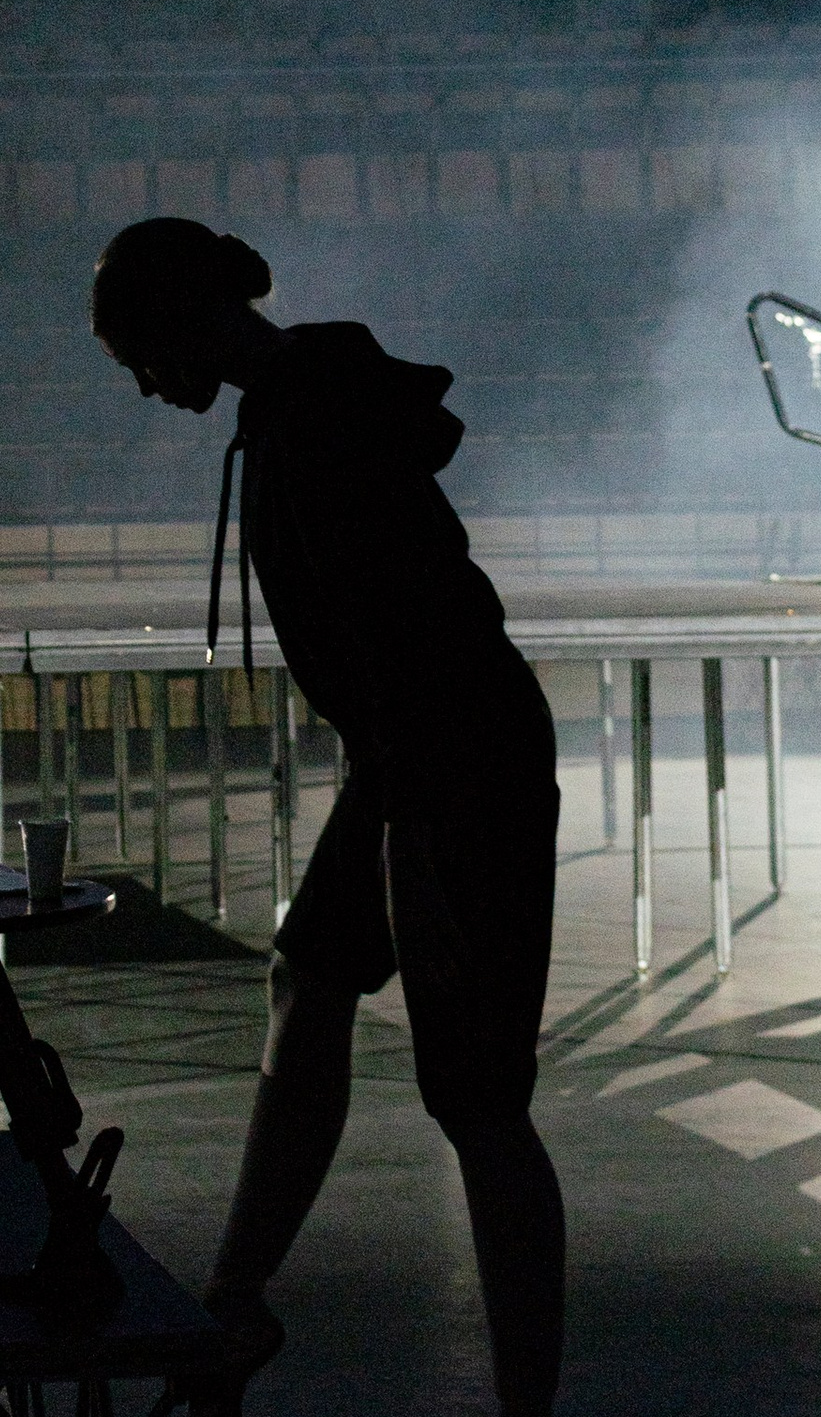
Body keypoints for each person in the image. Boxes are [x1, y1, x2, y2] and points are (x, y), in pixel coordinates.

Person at [90, 217, 564, 1417]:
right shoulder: (301, 402)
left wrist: (410, 835)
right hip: (418, 753)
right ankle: (233, 1301)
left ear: (183, 321)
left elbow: (412, 636)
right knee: (307, 982)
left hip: (452, 757)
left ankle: (523, 1405)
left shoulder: (314, 417)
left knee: (476, 1100)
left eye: (141, 357)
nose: (145, 386)